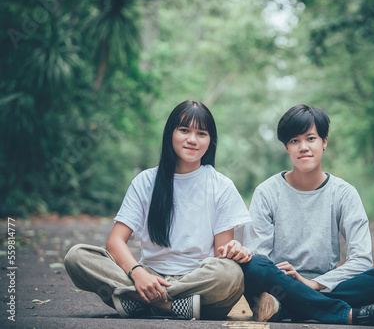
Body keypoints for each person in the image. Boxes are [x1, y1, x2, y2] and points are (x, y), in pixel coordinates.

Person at [64, 100, 252, 320]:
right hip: (147, 276)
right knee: (76, 257)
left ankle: (139, 301)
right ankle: (174, 306)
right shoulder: (145, 181)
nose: (192, 139)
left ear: (210, 141)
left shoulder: (221, 185)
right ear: (170, 134)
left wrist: (234, 249)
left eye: (201, 133)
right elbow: (115, 242)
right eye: (184, 130)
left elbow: (222, 255)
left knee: (231, 274)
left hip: (196, 279)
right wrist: (138, 274)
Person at [241, 104, 374, 327]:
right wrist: (289, 281)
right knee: (253, 266)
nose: (303, 147)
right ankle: (347, 314)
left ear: (324, 142)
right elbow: (259, 256)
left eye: (311, 138)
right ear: (286, 147)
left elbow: (361, 258)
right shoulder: (266, 192)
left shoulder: (344, 193)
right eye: (294, 141)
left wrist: (313, 284)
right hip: (278, 284)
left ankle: (291, 308)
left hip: (325, 284)